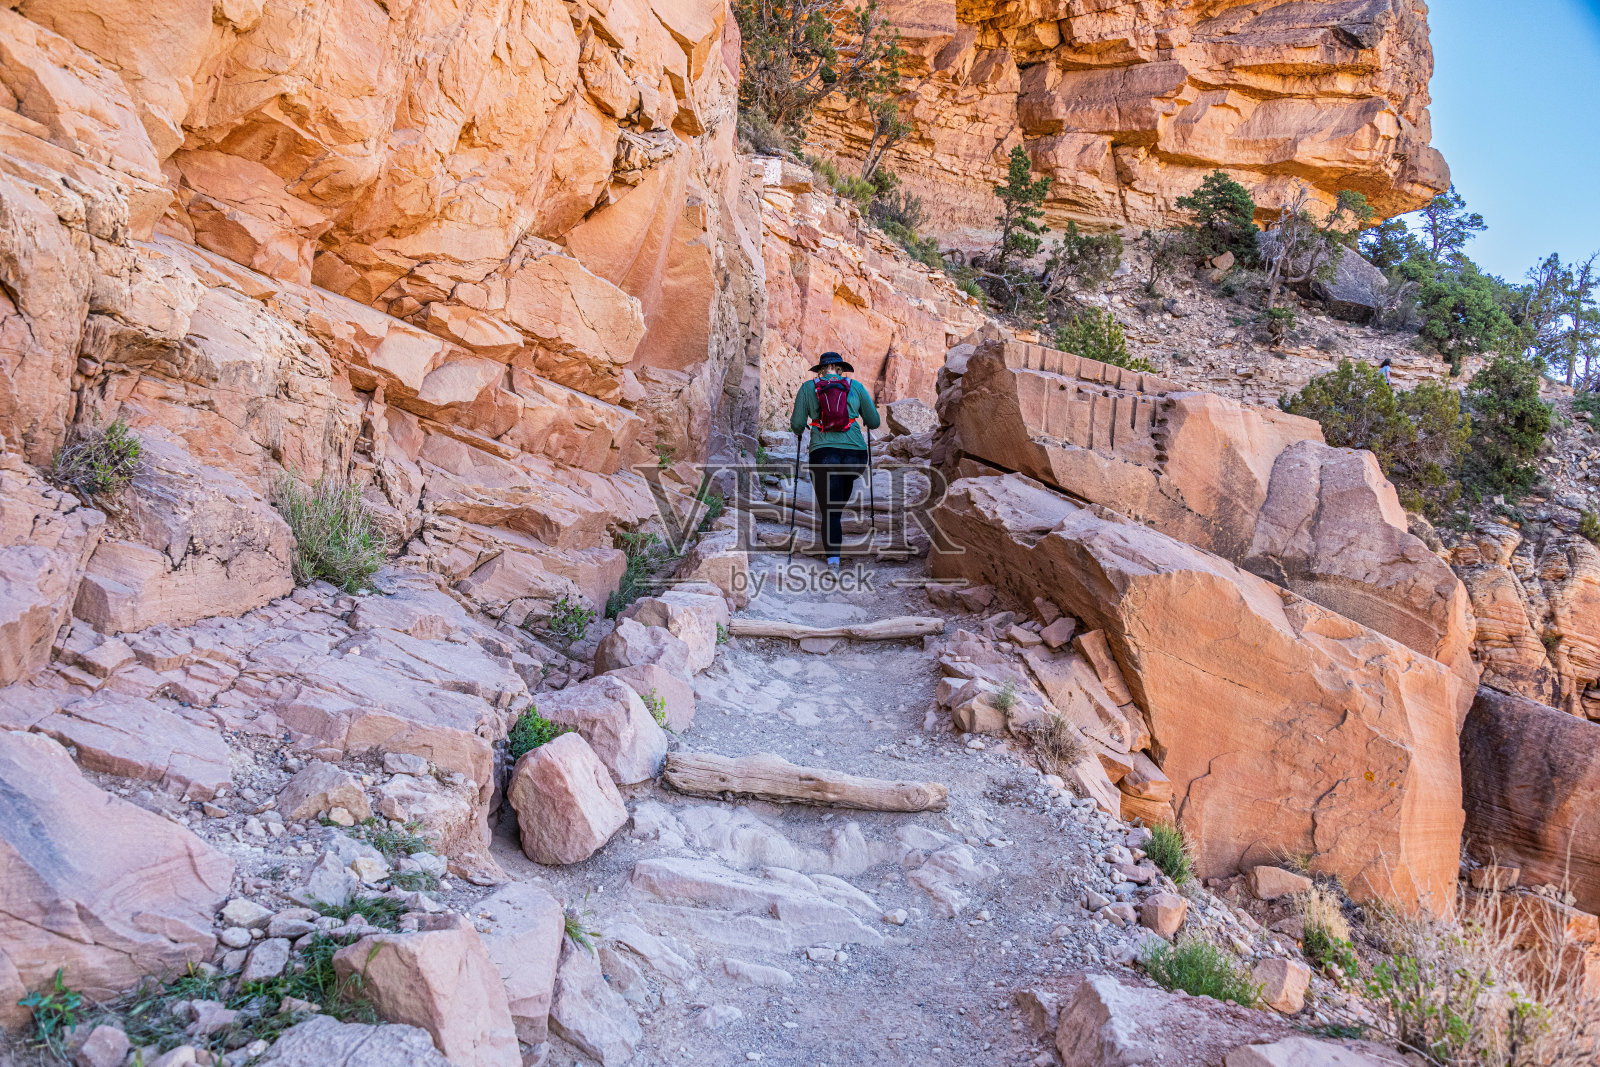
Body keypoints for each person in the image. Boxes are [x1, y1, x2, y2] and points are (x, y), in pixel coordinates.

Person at [789, 351, 881, 567]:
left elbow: (797, 424)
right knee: (837, 501)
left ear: (820, 370)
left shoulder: (808, 388)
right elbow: (874, 422)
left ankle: (833, 562)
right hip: (855, 456)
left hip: (823, 455)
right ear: (841, 369)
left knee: (830, 511)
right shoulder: (855, 386)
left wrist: (803, 427)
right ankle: (835, 526)